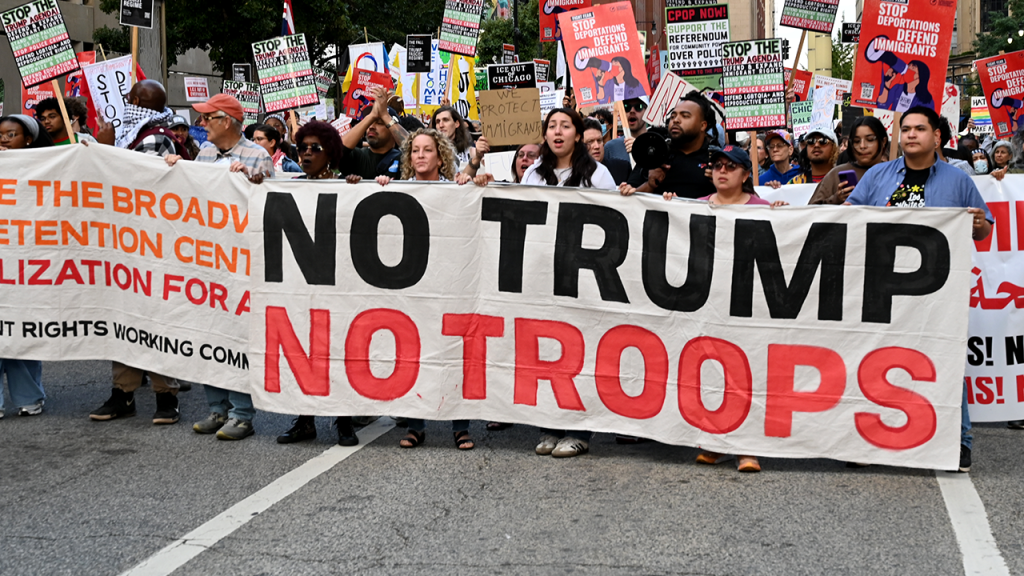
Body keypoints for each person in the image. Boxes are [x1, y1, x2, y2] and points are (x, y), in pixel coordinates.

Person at [846, 105, 992, 473]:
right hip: (882, 286)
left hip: (937, 291)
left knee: (944, 359)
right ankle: (866, 440)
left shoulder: (958, 181)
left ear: (937, 136)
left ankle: (958, 443)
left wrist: (977, 223)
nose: (911, 134)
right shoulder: (877, 176)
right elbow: (848, 216)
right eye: (906, 128)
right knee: (872, 357)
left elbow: (984, 230)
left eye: (920, 129)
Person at [165, 93, 275, 441]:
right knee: (209, 334)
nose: (201, 124)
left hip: (240, 264)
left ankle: (242, 414)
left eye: (207, 118)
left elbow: (270, 202)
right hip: (208, 260)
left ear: (226, 121)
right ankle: (217, 408)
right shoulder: (205, 154)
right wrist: (175, 169)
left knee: (236, 337)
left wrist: (251, 180)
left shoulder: (257, 155)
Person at [89, 81, 188, 426]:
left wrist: (104, 151)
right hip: (126, 243)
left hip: (151, 245)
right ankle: (123, 394)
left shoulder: (154, 139)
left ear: (132, 101)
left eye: (129, 98)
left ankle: (165, 396)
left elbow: (132, 184)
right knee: (123, 319)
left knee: (154, 320)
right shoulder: (134, 135)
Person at [373, 128, 476, 449]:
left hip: (449, 283)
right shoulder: (399, 188)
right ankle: (415, 426)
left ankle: (460, 426)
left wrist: (471, 183)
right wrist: (380, 188)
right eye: (415, 150)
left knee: (453, 352)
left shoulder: (455, 189)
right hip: (413, 287)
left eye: (427, 149)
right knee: (413, 353)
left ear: (440, 157)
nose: (420, 155)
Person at [275, 121, 358, 447]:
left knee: (339, 351)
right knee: (303, 352)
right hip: (301, 284)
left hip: (339, 285)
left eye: (315, 148)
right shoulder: (290, 187)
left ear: (331, 154)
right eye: (302, 148)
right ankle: (305, 420)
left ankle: (344, 421)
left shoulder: (348, 186)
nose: (306, 154)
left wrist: (359, 190)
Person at [0, 114, 52, 419]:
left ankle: (29, 397)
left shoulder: (45, 168)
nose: (4, 140)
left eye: (11, 134)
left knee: (22, 332)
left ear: (28, 139)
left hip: (27, 265)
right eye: (1, 135)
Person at [617, 92, 716, 199]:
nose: (676, 120)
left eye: (685, 116)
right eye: (673, 116)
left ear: (703, 125)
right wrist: (650, 184)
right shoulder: (653, 153)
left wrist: (721, 184)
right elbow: (630, 200)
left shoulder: (717, 161)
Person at [519, 107, 616, 191]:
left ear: (577, 136)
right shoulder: (532, 174)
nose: (557, 131)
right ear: (545, 136)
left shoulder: (598, 173)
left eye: (565, 126)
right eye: (552, 126)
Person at [95, 79, 190, 159]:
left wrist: (107, 147)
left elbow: (128, 173)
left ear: (135, 101)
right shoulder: (141, 133)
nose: (127, 103)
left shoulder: (157, 140)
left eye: (128, 98)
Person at [809, 116, 889, 205]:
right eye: (857, 141)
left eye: (870, 140)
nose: (862, 146)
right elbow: (811, 210)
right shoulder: (835, 174)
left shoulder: (894, 173)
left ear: (883, 141)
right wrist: (835, 199)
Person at [341, 86, 406, 180]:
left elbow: (413, 148)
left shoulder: (403, 159)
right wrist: (372, 115)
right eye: (369, 122)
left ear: (392, 130)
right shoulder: (357, 156)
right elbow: (338, 150)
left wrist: (385, 115)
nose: (371, 126)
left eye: (380, 123)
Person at [430, 104, 488, 175]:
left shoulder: (471, 152)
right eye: (438, 121)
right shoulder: (430, 152)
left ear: (456, 124)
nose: (441, 125)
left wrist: (478, 158)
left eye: (446, 120)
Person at [603, 96, 648, 184]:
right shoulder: (610, 148)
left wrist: (641, 150)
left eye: (638, 107)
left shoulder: (657, 144)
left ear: (647, 111)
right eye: (627, 107)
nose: (632, 111)